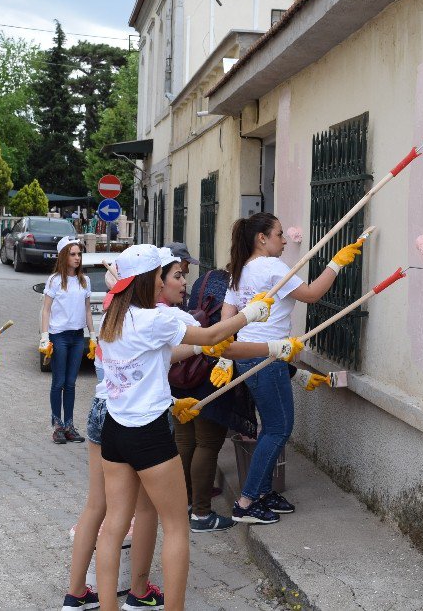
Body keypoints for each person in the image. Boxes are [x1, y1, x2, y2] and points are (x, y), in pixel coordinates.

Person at [94, 244, 273, 611]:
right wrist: (248, 315)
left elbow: (161, 354)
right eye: (162, 275)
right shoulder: (157, 319)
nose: (166, 281)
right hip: (149, 435)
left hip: (115, 432)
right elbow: (209, 336)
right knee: (176, 526)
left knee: (113, 525)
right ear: (148, 280)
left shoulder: (113, 318)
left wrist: (195, 352)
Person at [219, 212, 362, 525]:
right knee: (279, 428)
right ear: (262, 238)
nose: (284, 241)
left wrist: (226, 354)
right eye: (279, 234)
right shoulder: (271, 267)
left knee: (270, 426)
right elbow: (311, 295)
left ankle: (265, 493)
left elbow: (226, 317)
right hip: (267, 356)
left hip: (248, 353)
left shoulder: (240, 269)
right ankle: (246, 502)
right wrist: (336, 264)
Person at [61, 268, 164, 611]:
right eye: (170, 275)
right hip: (129, 416)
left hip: (100, 408)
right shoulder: (152, 318)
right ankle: (139, 591)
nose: (174, 283)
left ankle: (76, 594)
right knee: (144, 508)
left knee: (96, 504)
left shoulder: (114, 309)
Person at [160, 251, 235, 533]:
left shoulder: (206, 279)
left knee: (185, 439)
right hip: (209, 372)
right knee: (207, 442)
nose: (183, 280)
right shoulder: (235, 287)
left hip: (180, 373)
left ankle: (185, 503)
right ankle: (201, 514)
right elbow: (216, 338)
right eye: (177, 274)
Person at [40, 237, 94, 444]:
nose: (77, 258)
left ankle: (69, 425)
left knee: (71, 383)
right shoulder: (54, 280)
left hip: (77, 336)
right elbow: (45, 310)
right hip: (59, 336)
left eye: (79, 254)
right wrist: (45, 337)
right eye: (72, 254)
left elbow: (88, 310)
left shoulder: (84, 281)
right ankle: (57, 426)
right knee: (59, 382)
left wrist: (93, 335)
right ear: (64, 256)